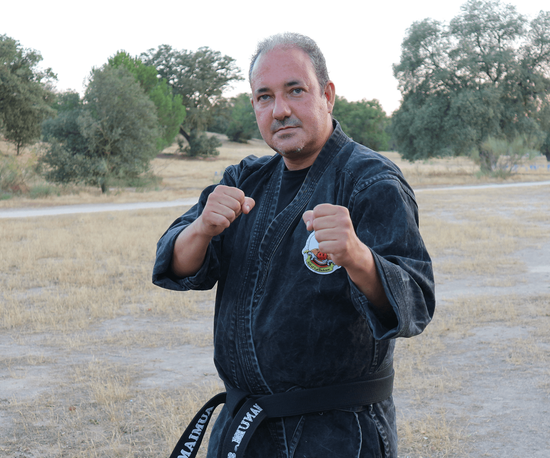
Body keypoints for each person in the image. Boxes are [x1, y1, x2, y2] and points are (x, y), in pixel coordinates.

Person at [153, 32, 435, 458]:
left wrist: (357, 256)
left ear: (327, 95)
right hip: (244, 425)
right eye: (264, 97)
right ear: (254, 107)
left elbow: (415, 301)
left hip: (338, 433)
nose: (280, 109)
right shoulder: (244, 180)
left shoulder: (369, 182)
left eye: (295, 91)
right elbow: (174, 264)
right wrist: (201, 229)